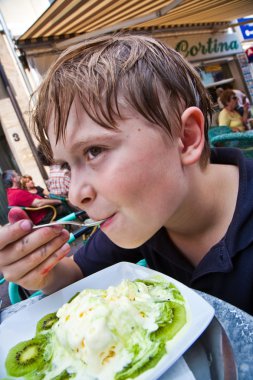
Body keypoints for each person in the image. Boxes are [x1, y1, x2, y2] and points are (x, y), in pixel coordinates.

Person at [0, 33, 253, 315]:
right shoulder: (145, 214)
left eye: (94, 150)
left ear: (186, 137)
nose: (73, 195)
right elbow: (74, 272)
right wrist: (41, 270)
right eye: (68, 166)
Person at [2, 170, 70, 225]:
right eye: (16, 175)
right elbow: (39, 203)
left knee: (64, 203)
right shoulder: (17, 193)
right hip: (43, 216)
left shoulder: (11, 193)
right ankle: (79, 221)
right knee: (65, 204)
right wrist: (58, 201)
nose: (19, 176)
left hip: (42, 213)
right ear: (13, 179)